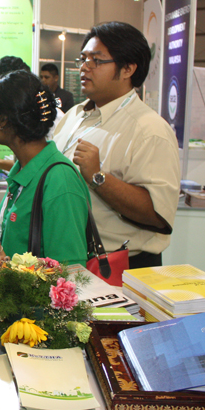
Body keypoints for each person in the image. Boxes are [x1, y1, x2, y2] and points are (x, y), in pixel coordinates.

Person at [53, 21, 180, 268]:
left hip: (120, 266)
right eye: (83, 59)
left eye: (96, 61)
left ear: (127, 69)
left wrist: (98, 177)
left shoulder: (150, 130)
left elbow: (157, 215)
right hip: (69, 257)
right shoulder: (74, 115)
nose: (84, 67)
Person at [0, 71, 91, 265]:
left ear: (4, 120)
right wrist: (2, 255)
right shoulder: (21, 171)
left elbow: (70, 272)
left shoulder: (60, 180)